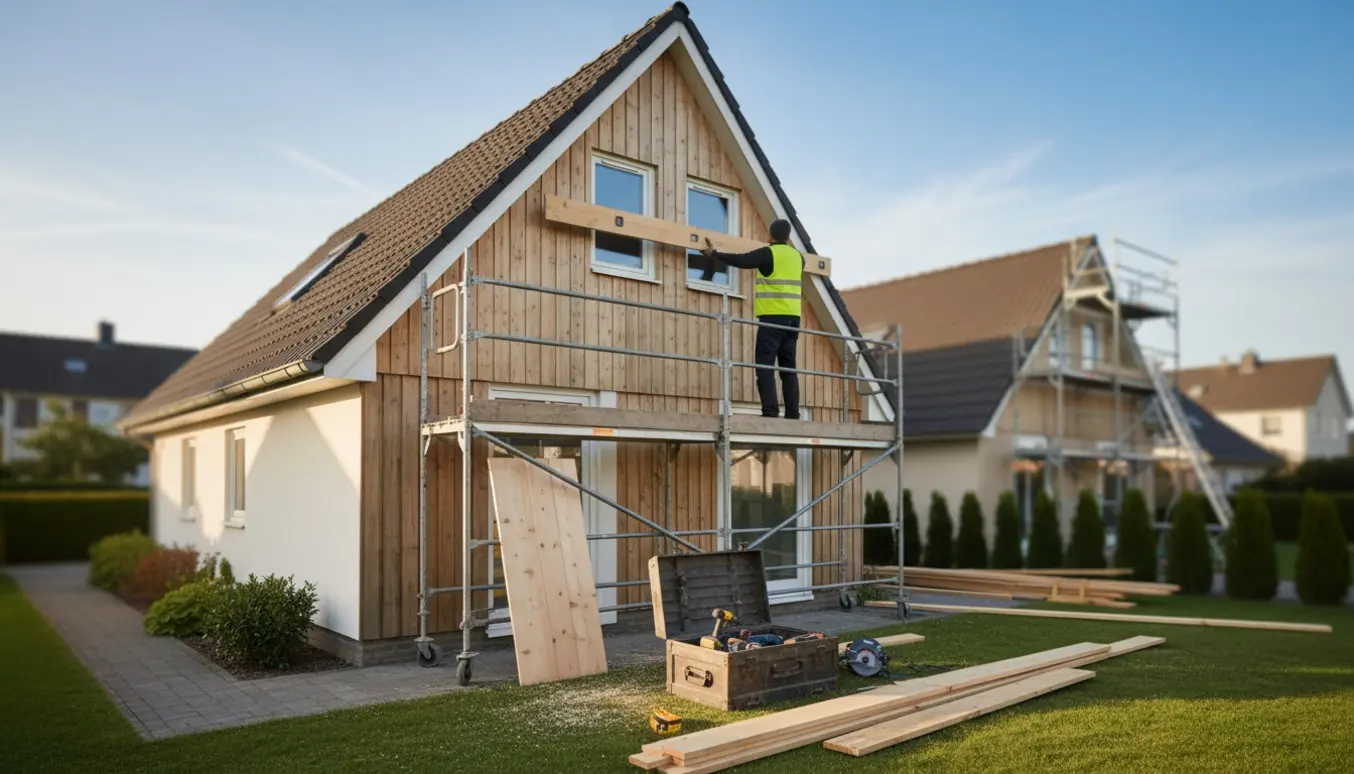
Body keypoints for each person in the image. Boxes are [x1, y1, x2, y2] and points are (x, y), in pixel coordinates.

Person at [697, 218, 804, 419]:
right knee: (788, 368)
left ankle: (770, 412)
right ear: (788, 237)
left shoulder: (767, 253)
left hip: (773, 318)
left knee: (764, 365)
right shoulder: (799, 258)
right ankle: (793, 414)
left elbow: (742, 260)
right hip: (793, 320)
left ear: (771, 235)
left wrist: (715, 254)